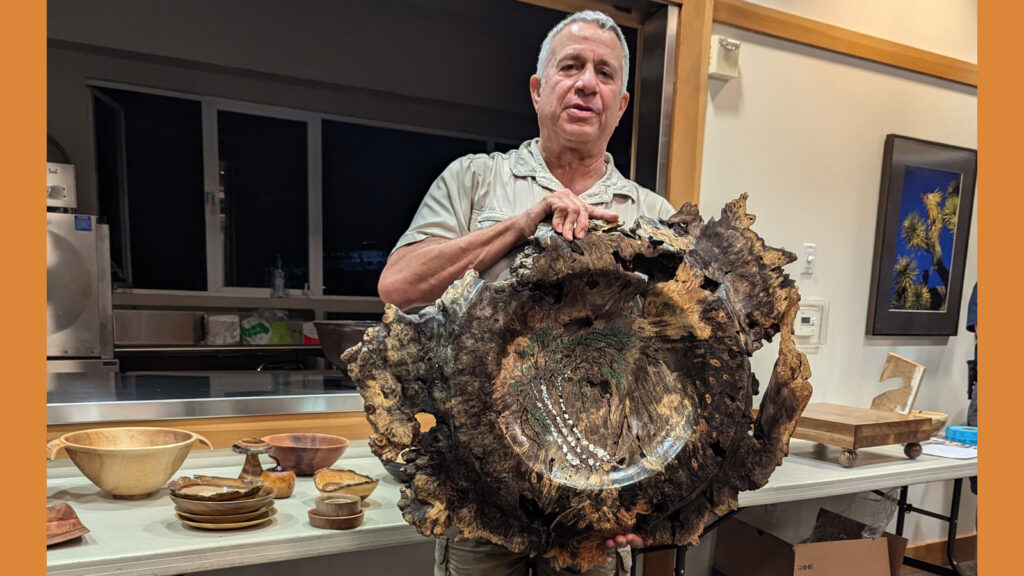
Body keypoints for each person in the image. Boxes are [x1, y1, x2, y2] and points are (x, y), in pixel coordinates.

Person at [378, 10, 676, 576]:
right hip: (481, 486)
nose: (587, 82)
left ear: (622, 105)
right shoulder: (474, 180)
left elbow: (671, 367)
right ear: (539, 91)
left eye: (605, 73)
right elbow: (399, 287)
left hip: (598, 494)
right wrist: (517, 227)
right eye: (571, 66)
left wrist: (656, 497)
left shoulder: (653, 215)